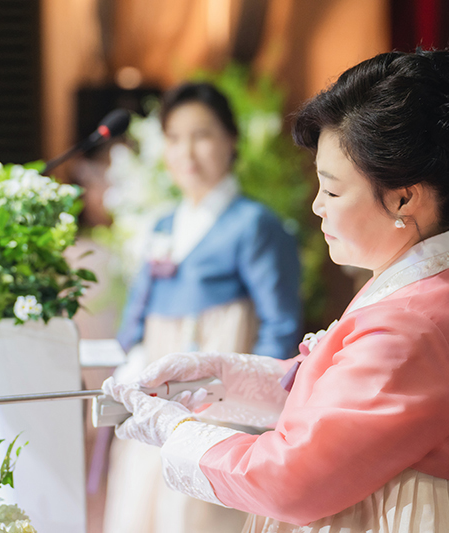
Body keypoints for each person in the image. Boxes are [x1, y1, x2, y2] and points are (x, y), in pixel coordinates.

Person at [102, 50, 449, 533]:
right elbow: (344, 401)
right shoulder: (440, 275)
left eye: (333, 190)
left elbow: (291, 479)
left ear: (405, 196)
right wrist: (218, 379)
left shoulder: (411, 327)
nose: (318, 206)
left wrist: (175, 431)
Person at [104, 82, 303, 533]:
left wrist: (254, 407)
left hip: (219, 401)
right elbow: (137, 311)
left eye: (202, 135)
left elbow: (280, 325)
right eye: (174, 138)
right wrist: (129, 364)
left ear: (231, 139)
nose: (186, 152)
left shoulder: (255, 225)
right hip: (156, 393)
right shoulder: (163, 224)